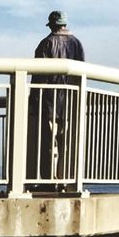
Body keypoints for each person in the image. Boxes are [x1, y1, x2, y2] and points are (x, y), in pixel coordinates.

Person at [30, 10, 85, 184]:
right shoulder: (76, 44)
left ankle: (49, 180)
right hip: (69, 102)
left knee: (47, 144)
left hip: (49, 102)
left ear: (52, 24)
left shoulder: (46, 44)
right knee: (66, 145)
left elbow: (38, 76)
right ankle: (65, 179)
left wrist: (34, 99)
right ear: (65, 24)